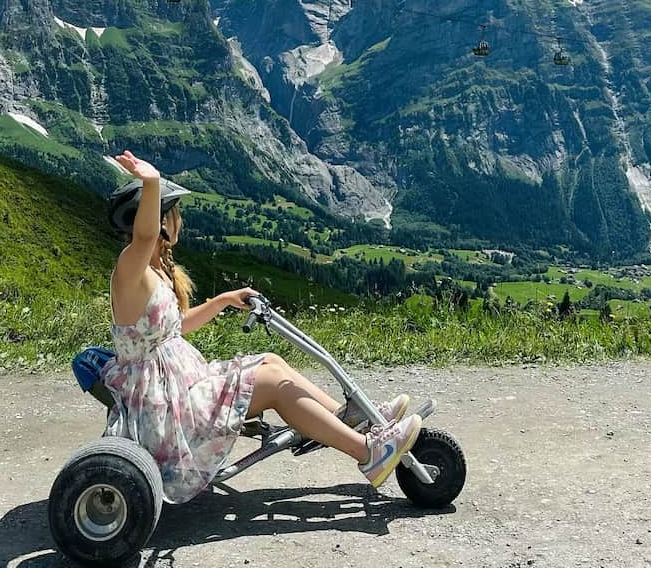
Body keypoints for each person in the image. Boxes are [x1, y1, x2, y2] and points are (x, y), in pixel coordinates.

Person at [100, 150, 421, 504]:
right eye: (174, 213)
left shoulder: (156, 270)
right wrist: (152, 181)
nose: (180, 221)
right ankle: (368, 453)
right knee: (271, 383)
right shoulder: (131, 267)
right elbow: (144, 238)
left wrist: (222, 300)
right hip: (162, 412)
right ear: (160, 221)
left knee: (270, 361)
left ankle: (347, 419)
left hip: (177, 389)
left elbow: (173, 329)